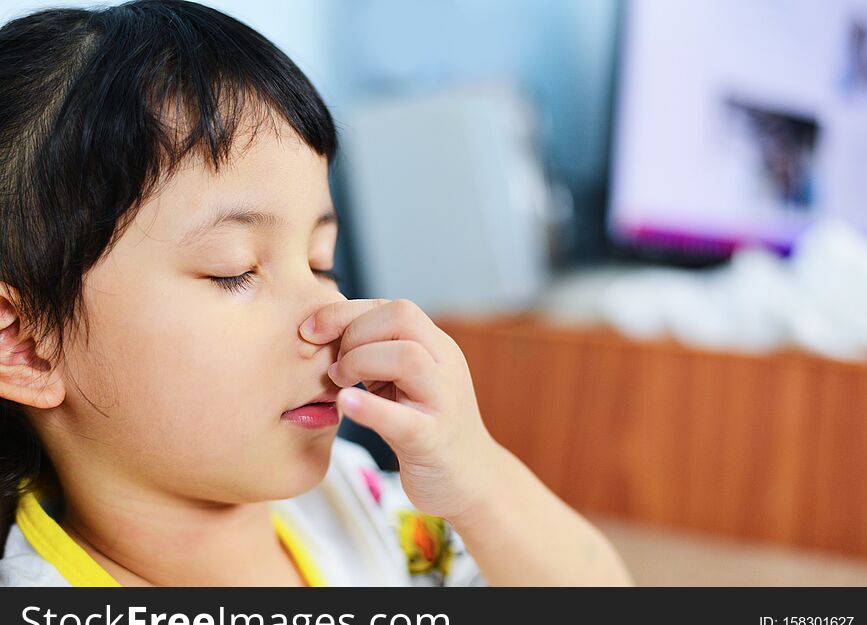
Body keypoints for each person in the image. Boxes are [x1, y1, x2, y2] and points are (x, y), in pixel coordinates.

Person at [0, 0, 633, 587]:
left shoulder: (353, 502)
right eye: (234, 271)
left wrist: (478, 481)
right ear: (25, 345)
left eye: (320, 262)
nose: (328, 315)